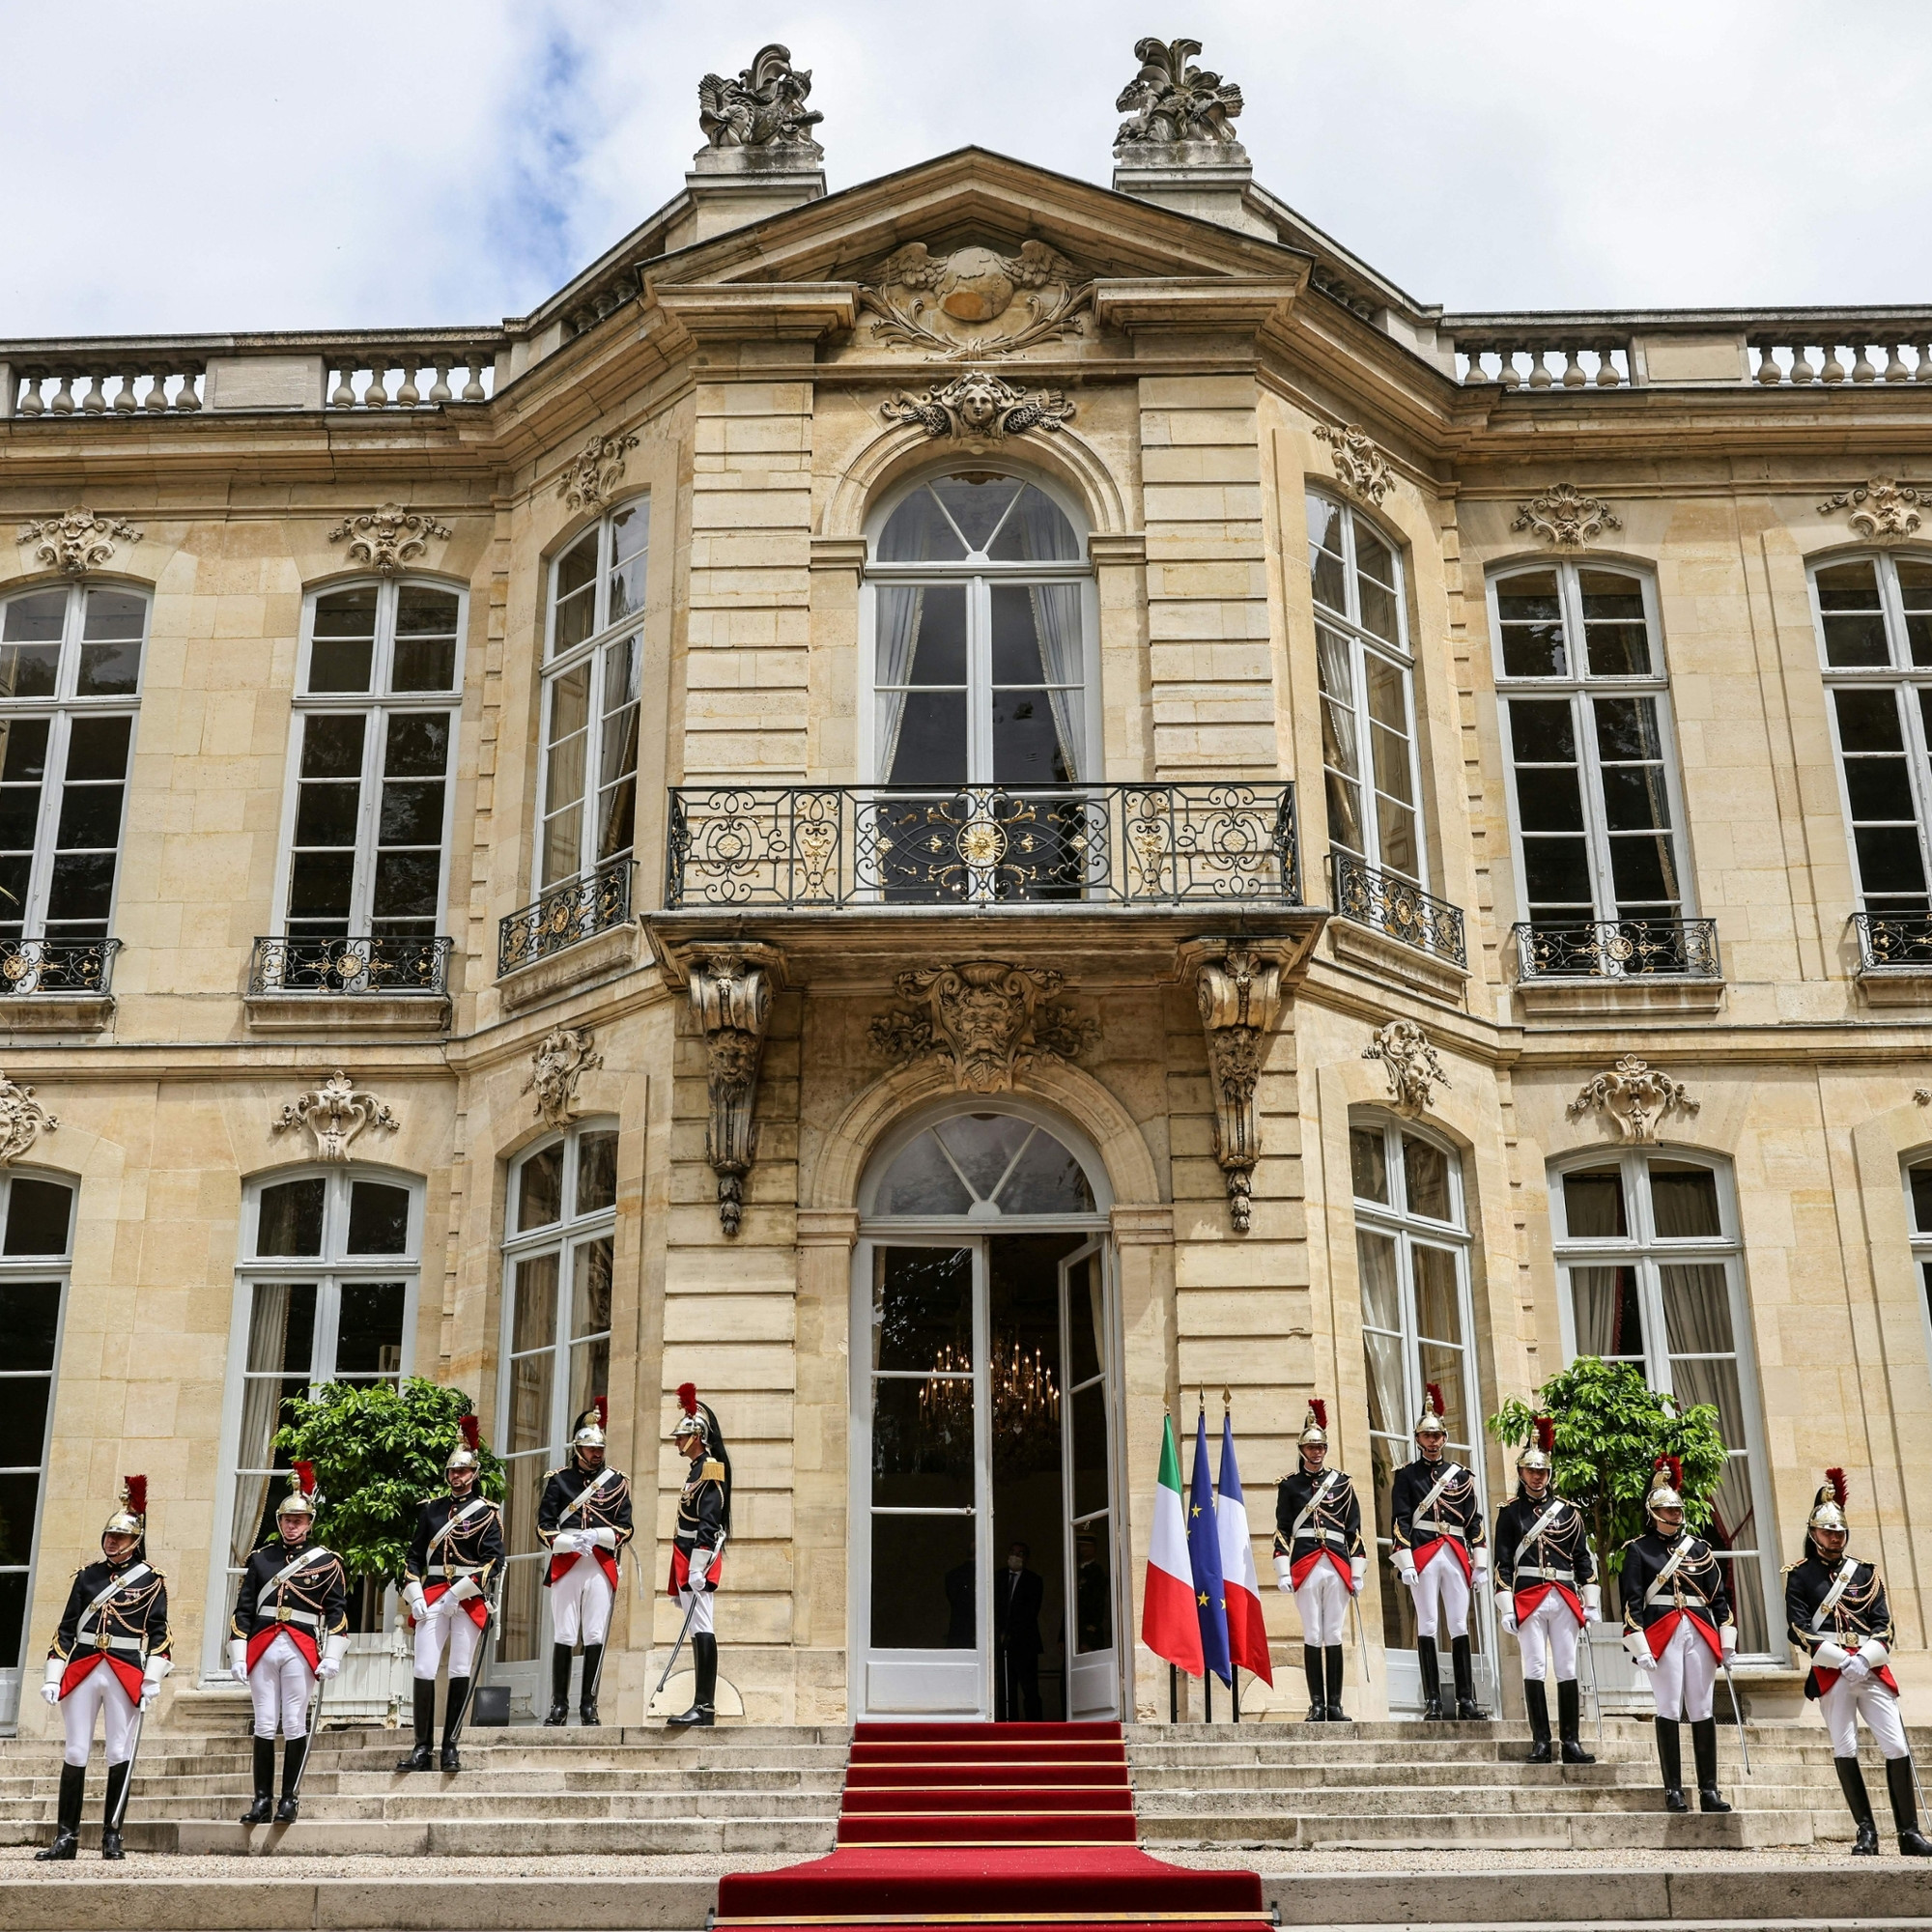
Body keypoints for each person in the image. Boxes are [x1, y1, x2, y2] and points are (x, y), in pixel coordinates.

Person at [1784, 1468, 1932, 1857]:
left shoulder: (1866, 1572)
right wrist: (1839, 1659)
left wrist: (1864, 1658)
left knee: (1896, 1745)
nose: (1835, 1538)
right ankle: (1866, 1832)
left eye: (1840, 1532)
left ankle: (1909, 1834)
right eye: (1828, 1531)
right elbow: (1798, 1629)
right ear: (1814, 1533)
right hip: (1832, 1671)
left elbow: (1885, 1625)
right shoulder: (1800, 1576)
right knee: (1845, 1747)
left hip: (1870, 1667)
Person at [39, 1476, 171, 1862]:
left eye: (119, 1537)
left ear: (135, 1541)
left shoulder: (151, 1580)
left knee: (118, 1750)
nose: (112, 1542)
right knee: (76, 1750)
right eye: (109, 1536)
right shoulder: (87, 1575)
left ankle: (113, 1835)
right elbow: (65, 1629)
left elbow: (160, 1635)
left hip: (125, 1669)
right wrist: (52, 1675)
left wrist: (152, 1678)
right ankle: (66, 1838)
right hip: (82, 1667)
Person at [228, 1463, 348, 1823]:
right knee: (265, 1723)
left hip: (300, 1645)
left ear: (309, 1523)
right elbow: (242, 1611)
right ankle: (261, 1799)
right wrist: (237, 1652)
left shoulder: (326, 1562)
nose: (291, 1526)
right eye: (286, 1520)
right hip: (263, 1644)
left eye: (298, 1520)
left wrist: (333, 1655)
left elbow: (337, 1612)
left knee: (294, 1722)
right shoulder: (261, 1560)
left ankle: (289, 1798)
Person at [1620, 1455, 1736, 1815]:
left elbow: (1720, 1598)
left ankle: (1709, 1791)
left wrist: (1727, 1642)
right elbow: (1631, 1602)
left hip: (1699, 1631)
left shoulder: (1700, 1549)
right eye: (1667, 1510)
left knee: (1701, 1708)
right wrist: (1639, 1644)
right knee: (1669, 1708)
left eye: (1676, 1509)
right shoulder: (1639, 1550)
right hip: (1662, 1632)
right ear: (1653, 1511)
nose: (1674, 1514)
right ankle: (1673, 1789)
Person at [396, 1414, 504, 1774]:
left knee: (459, 1667)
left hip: (467, 1597)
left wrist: (459, 1592)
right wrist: (415, 1594)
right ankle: (422, 1747)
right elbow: (413, 1557)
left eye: (463, 1472)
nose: (456, 1477)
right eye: (452, 1472)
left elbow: (493, 1561)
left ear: (474, 1474)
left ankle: (451, 1746)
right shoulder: (431, 1510)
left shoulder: (486, 1513)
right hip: (432, 1595)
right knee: (425, 1667)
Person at [1492, 1415, 1596, 1765]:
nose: (1537, 1477)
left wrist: (1591, 1602)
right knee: (1534, 1667)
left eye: (1543, 1471)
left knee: (1567, 1667)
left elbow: (1583, 1560)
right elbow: (1502, 1564)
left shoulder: (1569, 1513)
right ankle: (1540, 1741)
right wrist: (1506, 1605)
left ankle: (1571, 1742)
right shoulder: (1510, 1514)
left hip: (1564, 1596)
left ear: (1549, 1475)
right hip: (1528, 1596)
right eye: (1531, 1471)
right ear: (1521, 1473)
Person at [1390, 1383, 1487, 1719]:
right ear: (1418, 1440)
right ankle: (1432, 1699)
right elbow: (1400, 1521)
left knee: (1460, 1624)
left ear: (1444, 1438)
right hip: (1424, 1552)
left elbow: (1475, 1520)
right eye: (1426, 1436)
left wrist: (1481, 1562)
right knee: (1428, 1624)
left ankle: (1467, 1699)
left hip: (1456, 1552)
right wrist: (1405, 1559)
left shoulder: (1461, 1476)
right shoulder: (1406, 1476)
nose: (1432, 1442)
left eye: (1437, 1436)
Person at [536, 1397, 634, 1727]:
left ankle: (589, 1705)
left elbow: (626, 1527)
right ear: (578, 1448)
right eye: (591, 1448)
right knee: (564, 1633)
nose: (597, 1454)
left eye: (600, 1449)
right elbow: (543, 1525)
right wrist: (567, 1541)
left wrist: (599, 1536)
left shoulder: (617, 1482)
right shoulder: (559, 1480)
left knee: (594, 1634)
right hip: (567, 1563)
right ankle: (559, 1705)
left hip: (599, 1564)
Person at [1272, 1398, 1364, 1721]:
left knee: (1335, 1633)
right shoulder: (1290, 1486)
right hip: (1306, 1563)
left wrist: (1357, 1570)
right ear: (1302, 1450)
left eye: (1320, 1446)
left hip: (1337, 1563)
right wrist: (1282, 1569)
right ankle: (1316, 1704)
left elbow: (1355, 1531)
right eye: (1311, 1447)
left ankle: (1336, 1705)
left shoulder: (1342, 1483)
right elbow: (1283, 1530)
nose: (1316, 1452)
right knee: (1312, 1632)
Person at [667, 1382, 732, 1728]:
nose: (677, 1441)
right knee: (696, 1628)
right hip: (686, 1554)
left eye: (682, 1436)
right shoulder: (694, 1471)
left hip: (697, 1556)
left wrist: (698, 1566)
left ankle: (704, 1706)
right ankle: (700, 1704)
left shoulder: (710, 1470)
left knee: (703, 1626)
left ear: (697, 1438)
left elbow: (709, 1521)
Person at [995, 1543, 1046, 1721]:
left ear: (1026, 1558)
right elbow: (994, 1608)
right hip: (1001, 1644)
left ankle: (1035, 1726)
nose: (1015, 1557)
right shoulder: (997, 1577)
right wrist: (1000, 1632)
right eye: (1012, 1552)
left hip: (1025, 1643)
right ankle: (1007, 1724)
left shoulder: (1034, 1581)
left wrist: (1009, 1632)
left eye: (1020, 1554)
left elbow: (1030, 1612)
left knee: (1030, 1688)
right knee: (1005, 1688)